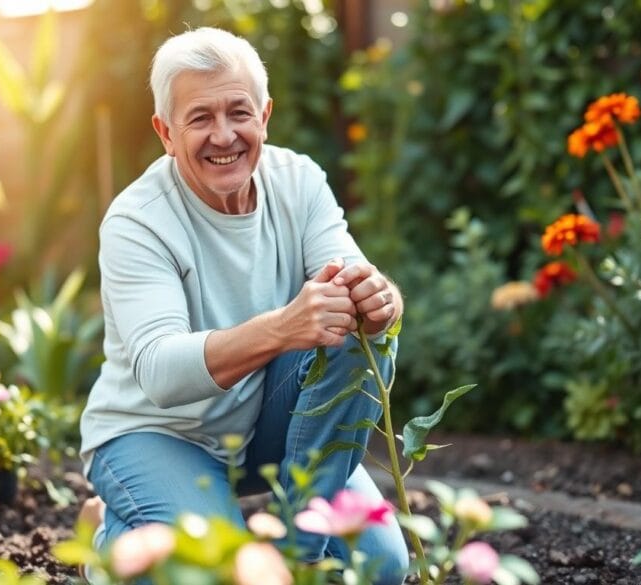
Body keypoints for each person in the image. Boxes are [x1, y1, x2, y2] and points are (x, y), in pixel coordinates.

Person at [79, 26, 409, 584]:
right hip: (158, 435)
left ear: (265, 115)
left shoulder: (298, 180)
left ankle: (296, 547)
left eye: (239, 112)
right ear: (165, 131)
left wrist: (381, 301)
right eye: (200, 118)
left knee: (378, 567)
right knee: (221, 574)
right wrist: (282, 328)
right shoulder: (138, 222)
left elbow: (356, 285)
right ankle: (111, 540)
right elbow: (160, 371)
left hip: (268, 426)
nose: (224, 135)